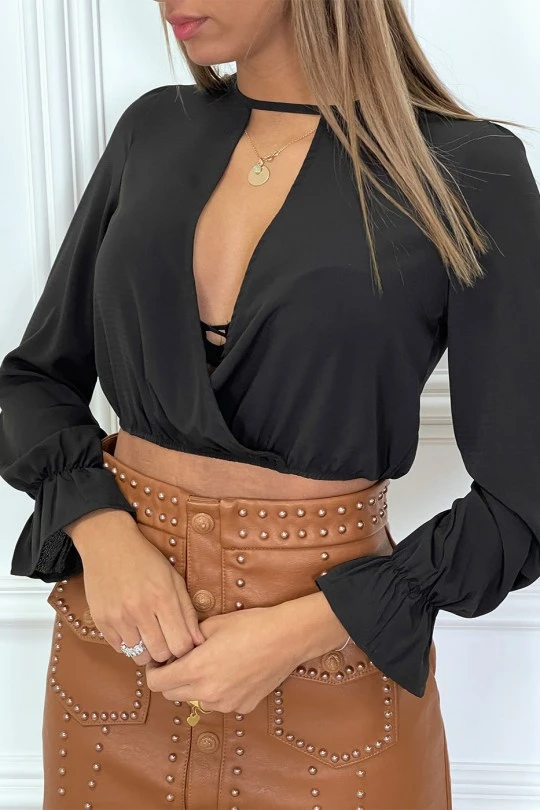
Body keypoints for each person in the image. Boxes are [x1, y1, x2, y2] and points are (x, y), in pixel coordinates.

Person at [1, 0, 539, 807]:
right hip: (118, 658)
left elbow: (524, 496)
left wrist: (303, 628)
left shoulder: (468, 167)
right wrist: (100, 529)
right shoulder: (153, 129)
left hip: (333, 678)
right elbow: (33, 382)